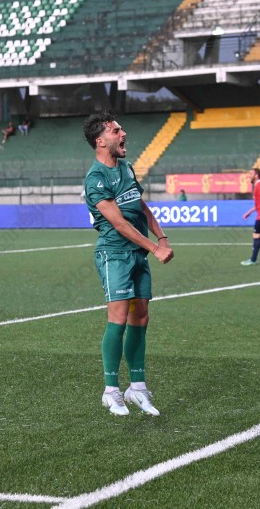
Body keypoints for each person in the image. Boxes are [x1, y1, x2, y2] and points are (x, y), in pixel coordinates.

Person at [82, 109, 173, 417]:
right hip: (115, 254)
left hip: (137, 254)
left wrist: (161, 237)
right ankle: (111, 391)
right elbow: (119, 223)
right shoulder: (95, 179)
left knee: (140, 317)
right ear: (100, 141)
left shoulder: (127, 167)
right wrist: (155, 248)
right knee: (118, 318)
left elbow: (140, 205)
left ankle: (137, 388)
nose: (123, 134)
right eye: (115, 131)